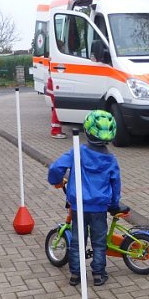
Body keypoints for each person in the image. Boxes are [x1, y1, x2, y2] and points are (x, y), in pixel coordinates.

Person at [47, 109, 122, 287]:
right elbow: (115, 184)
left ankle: (76, 274)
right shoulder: (111, 160)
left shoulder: (77, 152)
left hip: (78, 206)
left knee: (77, 241)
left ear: (87, 131)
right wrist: (114, 204)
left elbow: (56, 168)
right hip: (99, 208)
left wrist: (56, 180)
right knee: (99, 242)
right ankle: (98, 274)